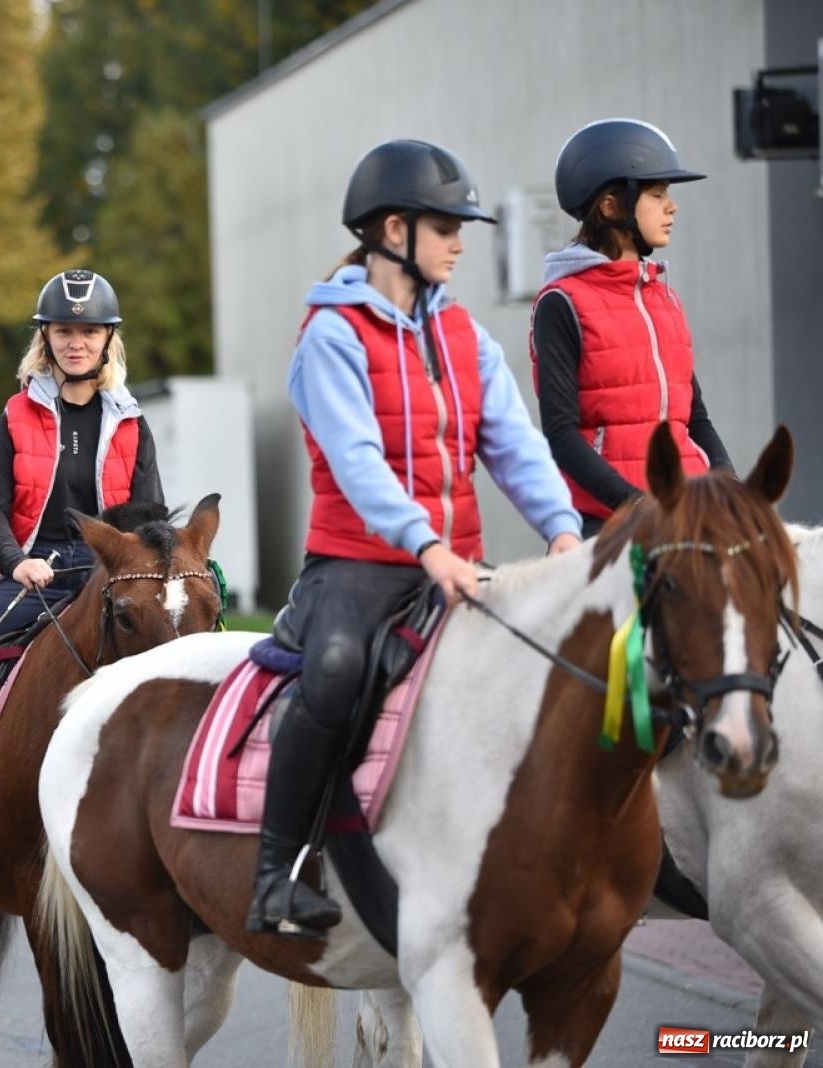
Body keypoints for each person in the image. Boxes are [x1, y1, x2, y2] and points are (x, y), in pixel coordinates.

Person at [248, 141, 582, 939]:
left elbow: (512, 440)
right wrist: (426, 545)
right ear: (393, 230)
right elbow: (357, 462)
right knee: (332, 673)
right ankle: (276, 872)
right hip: (356, 566)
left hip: (454, 561)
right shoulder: (329, 337)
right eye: (445, 226)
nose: (461, 242)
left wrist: (563, 530)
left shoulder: (463, 332)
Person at [0, 269, 164, 874]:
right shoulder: (17, 416)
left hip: (109, 573)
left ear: (107, 342)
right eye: (65, 331)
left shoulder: (131, 419)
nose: (77, 343)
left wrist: (135, 561)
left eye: (89, 332)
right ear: (46, 340)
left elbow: (148, 510)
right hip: (30, 574)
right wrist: (16, 562)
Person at [532, 118, 732, 537]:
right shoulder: (560, 304)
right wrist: (636, 506)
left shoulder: (665, 298)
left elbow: (694, 419)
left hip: (688, 513)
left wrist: (728, 487)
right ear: (611, 206)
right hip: (609, 521)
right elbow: (561, 435)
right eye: (657, 195)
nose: (671, 206)